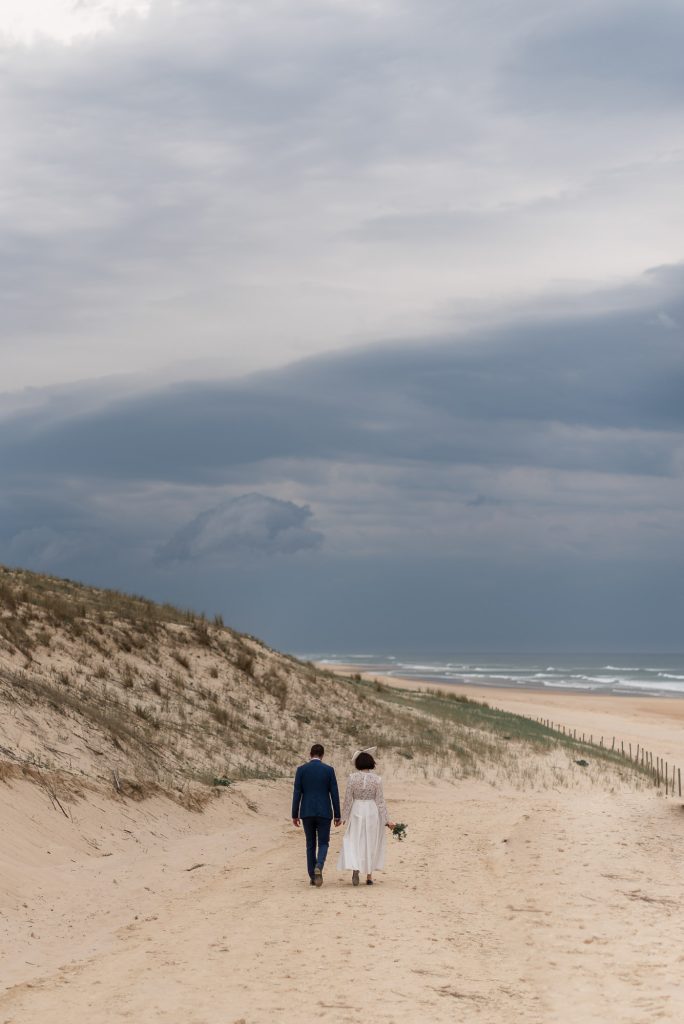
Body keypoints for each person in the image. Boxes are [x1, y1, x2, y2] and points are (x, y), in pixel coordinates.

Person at [337, 747, 395, 886]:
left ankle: (356, 867)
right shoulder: (377, 779)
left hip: (357, 809)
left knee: (354, 839)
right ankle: (369, 876)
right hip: (371, 810)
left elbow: (348, 799)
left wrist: (343, 817)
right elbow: (380, 801)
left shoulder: (352, 778)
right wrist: (388, 820)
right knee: (370, 841)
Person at [291, 743, 341, 887]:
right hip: (324, 811)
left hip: (306, 811)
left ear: (310, 754)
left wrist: (295, 814)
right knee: (324, 842)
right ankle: (319, 865)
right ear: (322, 755)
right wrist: (337, 815)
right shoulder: (329, 770)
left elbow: (297, 793)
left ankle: (313, 876)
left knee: (310, 844)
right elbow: (334, 794)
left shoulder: (301, 770)